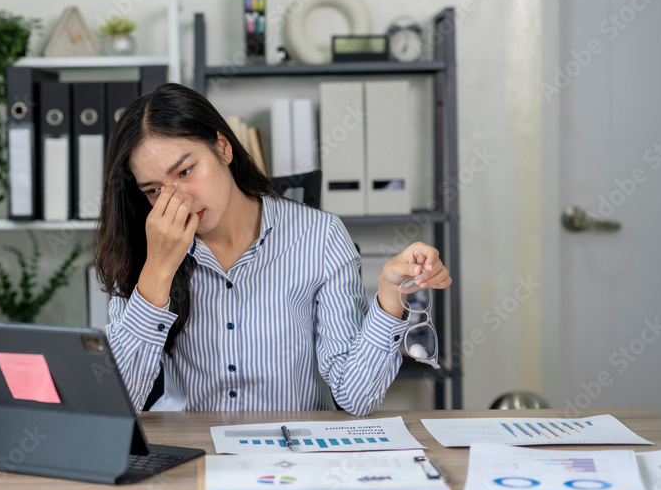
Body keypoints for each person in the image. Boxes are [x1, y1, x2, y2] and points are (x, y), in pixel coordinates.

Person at [94, 83, 451, 416]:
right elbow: (118, 406)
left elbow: (356, 398)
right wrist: (158, 269)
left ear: (223, 147)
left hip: (292, 450)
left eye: (186, 171)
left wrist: (389, 296)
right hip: (193, 450)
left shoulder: (319, 237)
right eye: (154, 190)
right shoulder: (145, 251)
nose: (177, 201)